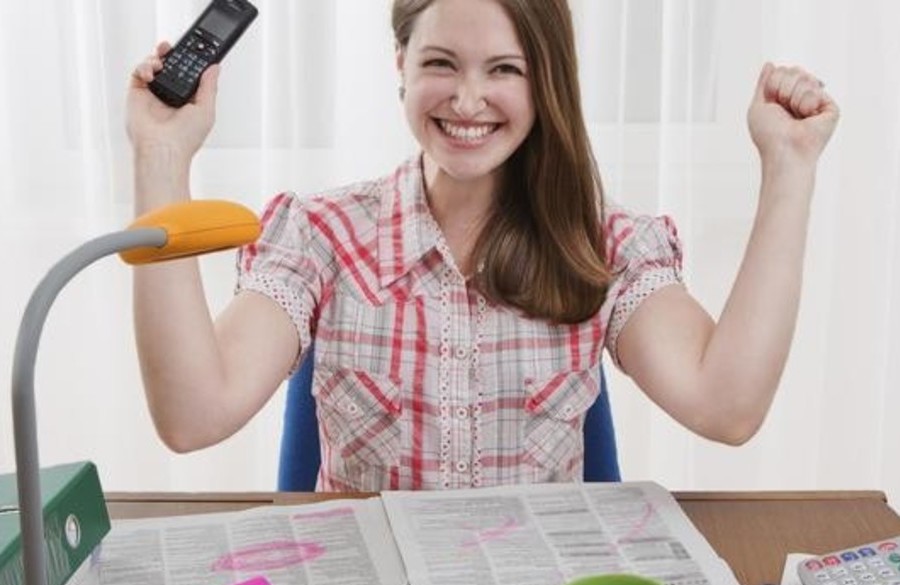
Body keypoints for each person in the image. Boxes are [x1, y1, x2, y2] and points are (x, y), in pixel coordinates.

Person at [127, 0, 839, 491]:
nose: (468, 101)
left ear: (545, 81)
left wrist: (789, 167)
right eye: (442, 63)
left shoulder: (603, 245)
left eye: (505, 69)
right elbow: (193, 416)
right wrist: (161, 156)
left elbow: (727, 406)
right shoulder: (321, 236)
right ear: (400, 62)